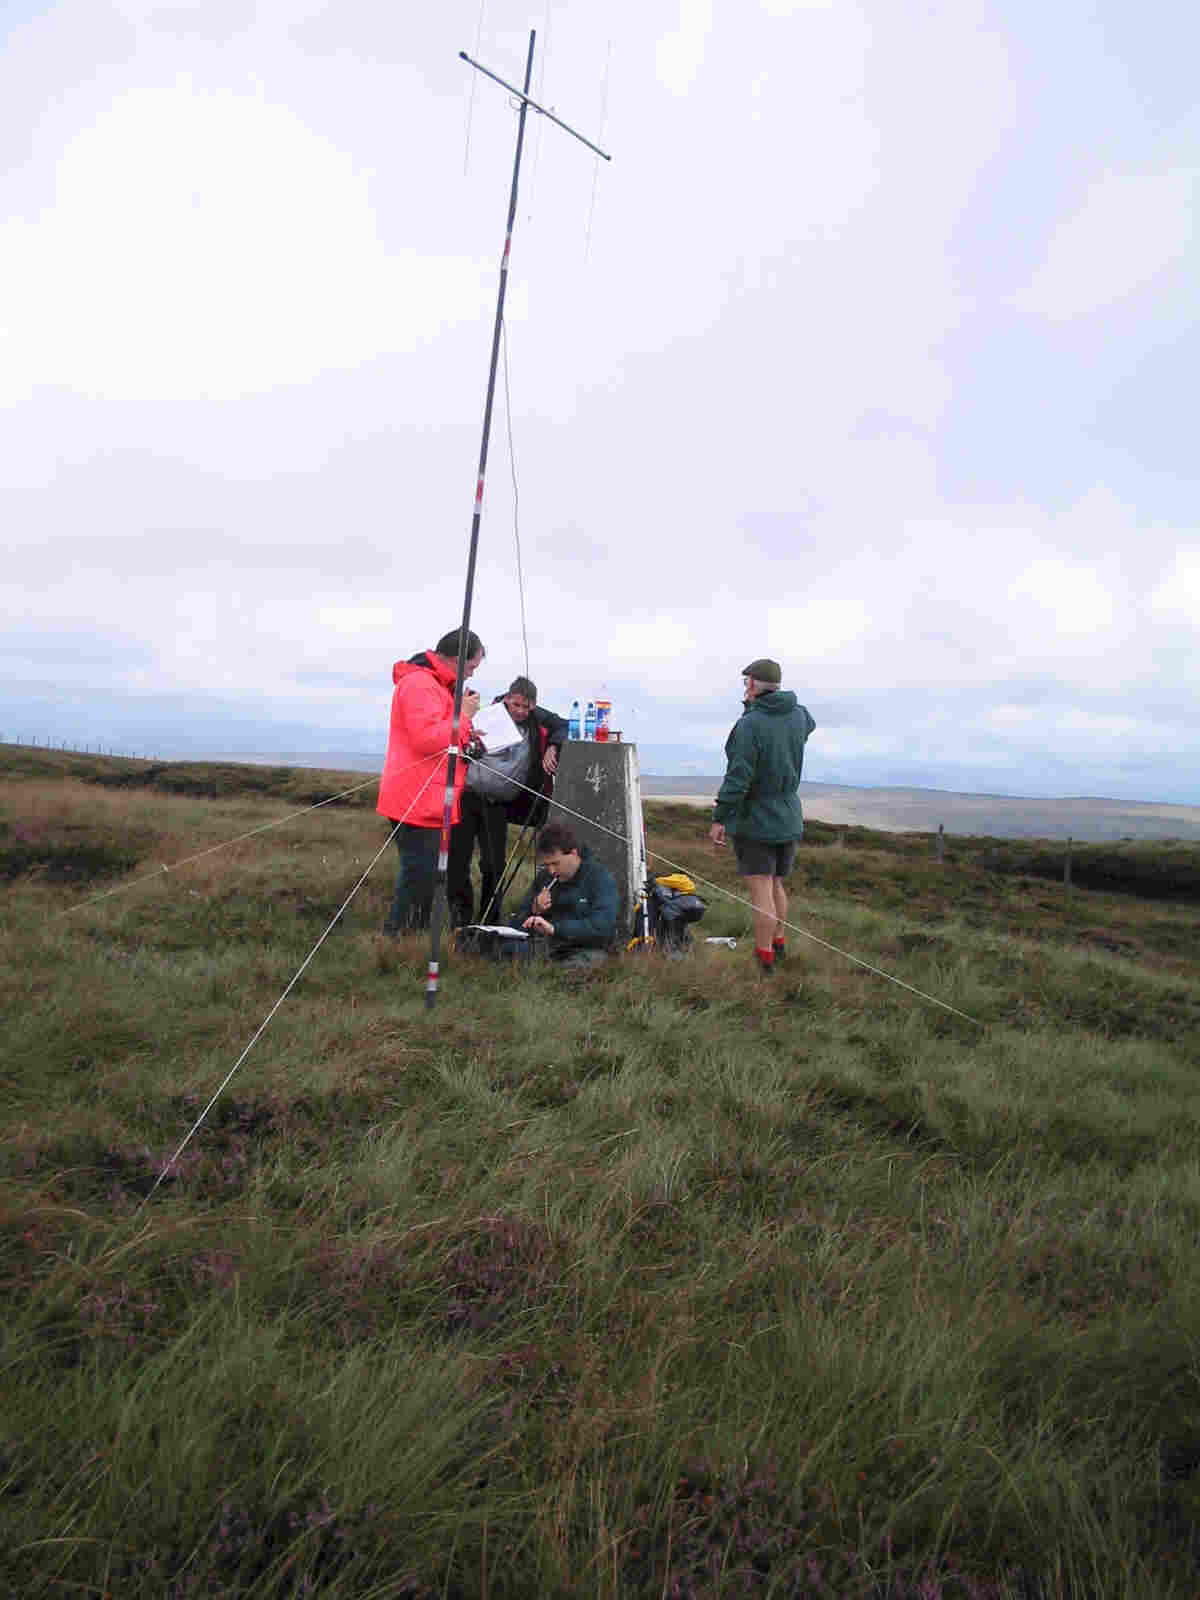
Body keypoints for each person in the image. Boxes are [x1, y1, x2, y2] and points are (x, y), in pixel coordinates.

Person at [709, 658, 816, 975]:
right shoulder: (800, 714)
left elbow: (738, 777)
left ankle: (764, 957)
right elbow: (805, 727)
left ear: (753, 685)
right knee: (777, 885)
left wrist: (720, 818)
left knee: (761, 890)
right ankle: (779, 943)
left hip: (758, 817)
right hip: (788, 814)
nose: (745, 688)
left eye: (746, 683)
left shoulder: (750, 724)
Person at [377, 627, 484, 933]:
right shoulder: (419, 684)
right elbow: (427, 740)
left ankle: (411, 939)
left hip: (431, 800)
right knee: (418, 879)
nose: (473, 675)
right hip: (415, 800)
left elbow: (440, 733)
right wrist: (463, 717)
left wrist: (467, 732)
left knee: (426, 880)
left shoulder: (436, 685)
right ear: (457, 659)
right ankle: (396, 941)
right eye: (472, 666)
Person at [447, 675, 568, 927]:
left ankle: (490, 919)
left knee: (493, 865)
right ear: (507, 699)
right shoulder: (488, 715)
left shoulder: (536, 720)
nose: (521, 711)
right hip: (467, 797)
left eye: (527, 706)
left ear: (533, 705)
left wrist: (553, 746)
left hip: (498, 805)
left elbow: (562, 724)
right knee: (458, 861)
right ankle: (460, 920)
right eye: (516, 705)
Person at [508, 821, 618, 968]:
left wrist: (555, 929)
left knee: (577, 965)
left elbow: (602, 927)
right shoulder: (545, 877)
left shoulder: (600, 878)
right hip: (551, 946)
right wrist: (534, 909)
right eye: (547, 865)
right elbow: (518, 920)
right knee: (504, 950)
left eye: (555, 863)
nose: (551, 871)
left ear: (573, 853)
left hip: (587, 948)